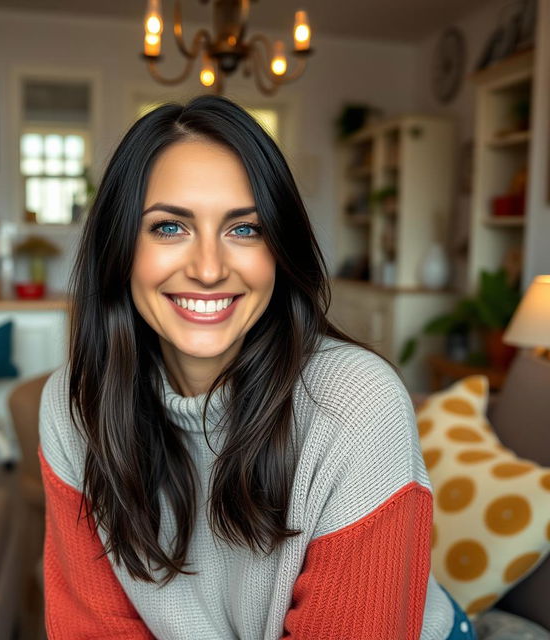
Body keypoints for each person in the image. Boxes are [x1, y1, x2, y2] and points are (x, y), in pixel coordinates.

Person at [38, 94, 476, 639]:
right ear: (120, 247)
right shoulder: (73, 402)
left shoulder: (359, 405)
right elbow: (95, 627)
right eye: (170, 227)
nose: (207, 268)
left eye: (244, 229)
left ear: (279, 249)